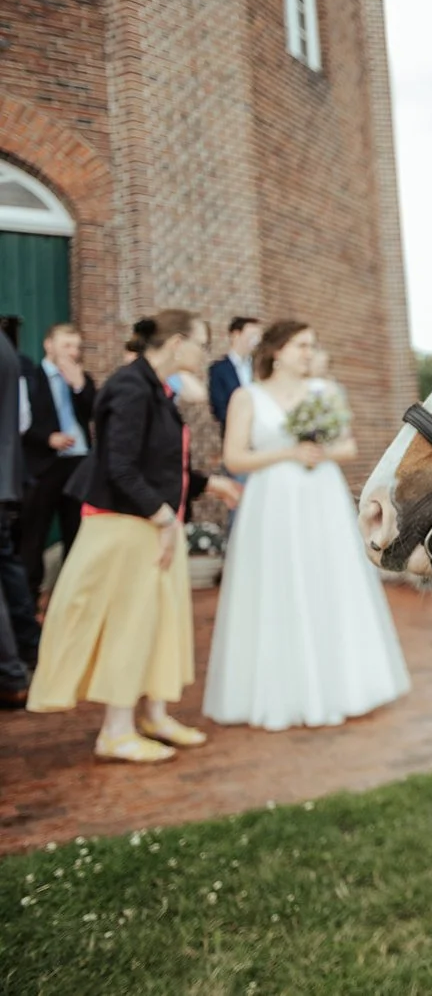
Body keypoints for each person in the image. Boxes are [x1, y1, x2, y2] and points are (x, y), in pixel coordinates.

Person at [27, 311, 241, 761]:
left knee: (160, 625)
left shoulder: (157, 391)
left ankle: (155, 714)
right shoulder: (128, 387)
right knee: (129, 625)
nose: (206, 353)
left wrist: (206, 484)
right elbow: (119, 466)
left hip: (153, 525)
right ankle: (116, 731)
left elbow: (158, 465)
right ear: (178, 343)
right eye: (202, 343)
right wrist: (164, 518)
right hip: (125, 527)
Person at [203, 320, 410, 731]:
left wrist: (321, 452)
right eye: (301, 345)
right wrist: (287, 454)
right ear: (276, 352)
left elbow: (348, 446)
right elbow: (234, 459)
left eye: (311, 345)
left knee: (327, 581)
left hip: (321, 499)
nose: (308, 352)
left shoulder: (325, 391)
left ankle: (342, 687)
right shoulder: (247, 398)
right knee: (276, 586)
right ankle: (279, 692)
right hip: (271, 502)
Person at [19, 323, 96, 604]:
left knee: (77, 533)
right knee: (34, 534)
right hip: (45, 466)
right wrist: (47, 438)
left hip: (78, 465)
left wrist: (79, 386)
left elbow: (95, 411)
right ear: (48, 345)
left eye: (77, 347)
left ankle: (72, 597)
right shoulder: (31, 378)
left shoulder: (81, 379)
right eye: (66, 346)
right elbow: (21, 423)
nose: (73, 352)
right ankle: (29, 599)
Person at [0, 327, 34, 707]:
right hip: (7, 478)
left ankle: (11, 675)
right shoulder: (8, 350)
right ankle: (23, 656)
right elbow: (21, 420)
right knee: (9, 570)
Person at [207, 316, 261, 436]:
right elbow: (219, 409)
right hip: (234, 434)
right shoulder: (219, 369)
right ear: (236, 335)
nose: (256, 341)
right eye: (252, 336)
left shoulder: (259, 367)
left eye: (258, 337)